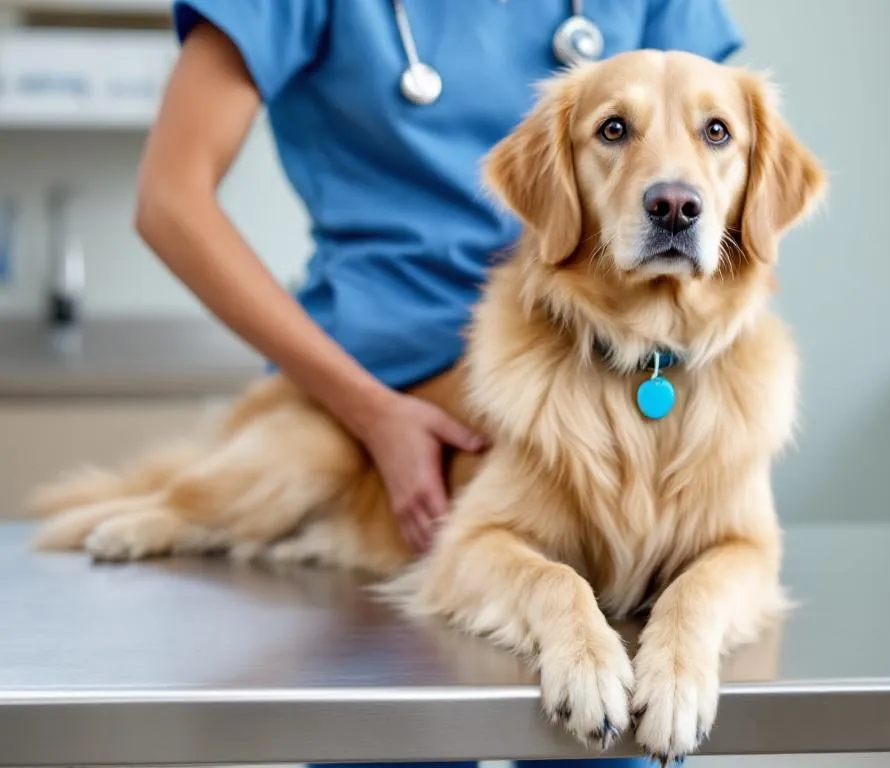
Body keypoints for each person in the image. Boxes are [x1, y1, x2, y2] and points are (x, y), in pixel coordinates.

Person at [138, 1, 743, 767]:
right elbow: (170, 198)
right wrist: (371, 412)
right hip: (366, 409)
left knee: (615, 742)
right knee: (398, 742)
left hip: (609, 367)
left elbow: (713, 171)